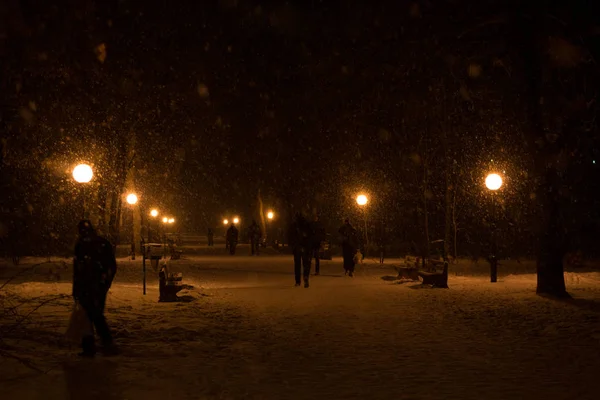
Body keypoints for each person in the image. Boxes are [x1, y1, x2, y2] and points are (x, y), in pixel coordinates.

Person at [72, 220, 118, 357]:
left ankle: (92, 346)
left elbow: (78, 269)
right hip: (96, 285)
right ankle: (104, 343)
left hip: (90, 285)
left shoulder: (82, 245)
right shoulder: (100, 243)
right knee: (94, 315)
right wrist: (105, 282)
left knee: (89, 316)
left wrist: (77, 288)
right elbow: (111, 265)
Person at [288, 213, 315, 288]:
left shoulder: (294, 226)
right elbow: (311, 236)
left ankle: (297, 281)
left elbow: (290, 236)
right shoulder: (307, 225)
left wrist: (293, 245)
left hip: (298, 247)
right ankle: (305, 277)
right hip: (305, 247)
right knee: (306, 264)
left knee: (297, 265)